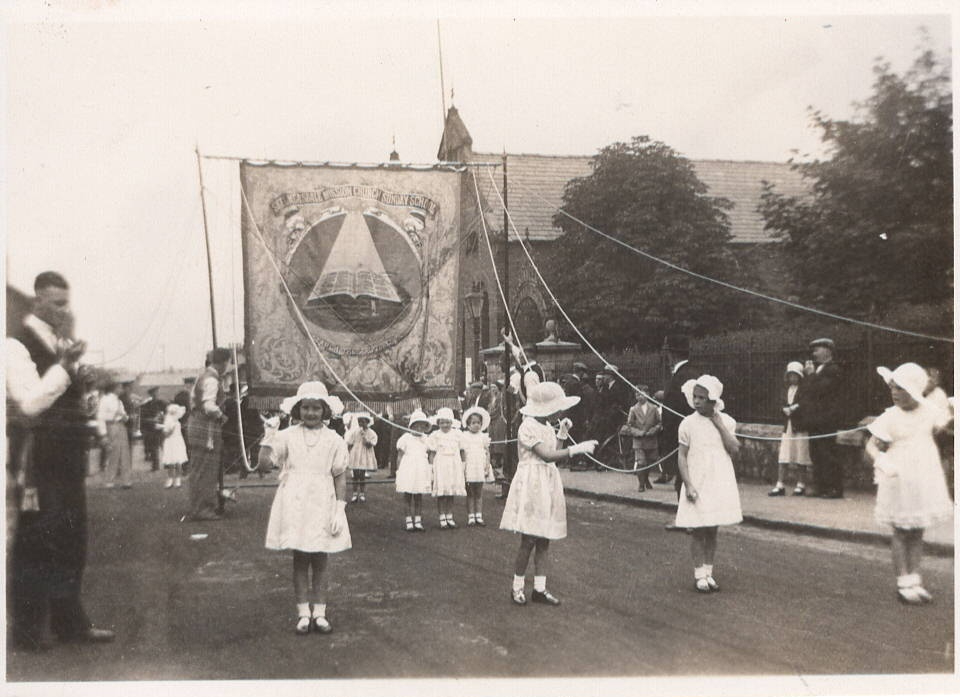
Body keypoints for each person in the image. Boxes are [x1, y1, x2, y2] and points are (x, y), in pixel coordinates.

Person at [7, 271, 114, 650]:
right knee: (38, 542)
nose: (63, 310)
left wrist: (80, 383)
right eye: (56, 303)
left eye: (66, 303)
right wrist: (65, 370)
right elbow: (30, 403)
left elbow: (63, 393)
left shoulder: (60, 342)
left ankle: (71, 624)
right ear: (37, 301)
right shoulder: (14, 345)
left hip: (67, 454)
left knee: (72, 539)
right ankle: (28, 631)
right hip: (37, 459)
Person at [263, 382, 350, 634]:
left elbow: (340, 475)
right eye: (306, 407)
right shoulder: (287, 435)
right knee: (300, 558)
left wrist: (340, 509)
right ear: (297, 410)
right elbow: (264, 465)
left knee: (320, 557)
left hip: (322, 500)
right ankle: (303, 613)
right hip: (295, 501)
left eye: (316, 408)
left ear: (325, 410)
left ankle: (320, 613)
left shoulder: (334, 439)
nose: (310, 413)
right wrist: (268, 436)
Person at [500, 382, 597, 606]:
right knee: (529, 538)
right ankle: (517, 587)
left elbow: (554, 450)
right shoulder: (527, 427)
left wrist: (562, 434)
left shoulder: (546, 426)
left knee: (544, 537)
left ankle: (540, 589)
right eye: (556, 408)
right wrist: (576, 449)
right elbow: (545, 455)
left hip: (547, 481)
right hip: (532, 482)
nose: (560, 412)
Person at [866, 363, 953, 605]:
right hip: (899, 477)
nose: (895, 393)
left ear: (914, 390)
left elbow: (947, 426)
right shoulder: (890, 417)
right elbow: (871, 446)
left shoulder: (929, 411)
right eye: (893, 388)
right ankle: (902, 581)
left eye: (901, 389)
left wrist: (953, 411)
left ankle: (915, 579)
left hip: (924, 475)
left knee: (918, 529)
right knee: (901, 530)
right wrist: (881, 460)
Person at [675, 375, 742, 593]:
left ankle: (709, 572)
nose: (696, 401)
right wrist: (689, 485)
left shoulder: (728, 421)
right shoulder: (687, 424)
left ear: (713, 400)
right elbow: (682, 457)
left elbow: (734, 448)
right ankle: (698, 575)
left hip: (718, 480)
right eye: (695, 396)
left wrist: (718, 423)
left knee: (712, 528)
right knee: (697, 528)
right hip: (697, 480)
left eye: (702, 398)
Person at [184, 347, 232, 522]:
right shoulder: (212, 380)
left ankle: (198, 507)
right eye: (227, 362)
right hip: (206, 427)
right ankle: (203, 509)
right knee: (206, 469)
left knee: (199, 469)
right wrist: (221, 414)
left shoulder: (202, 377)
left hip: (197, 424)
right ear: (223, 362)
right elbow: (208, 406)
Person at [802, 337, 846, 498]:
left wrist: (812, 376)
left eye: (817, 349)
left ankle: (834, 488)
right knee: (816, 453)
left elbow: (822, 390)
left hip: (827, 419)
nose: (814, 353)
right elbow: (809, 391)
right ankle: (821, 486)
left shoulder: (833, 369)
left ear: (828, 350)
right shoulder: (818, 369)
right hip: (815, 419)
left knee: (828, 453)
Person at [659, 334, 698, 491]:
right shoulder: (690, 371)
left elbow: (679, 409)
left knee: (683, 484)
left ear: (671, 355)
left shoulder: (682, 375)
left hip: (682, 440)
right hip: (685, 438)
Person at [769, 362, 813, 496]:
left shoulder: (805, 390)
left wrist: (795, 408)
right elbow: (780, 403)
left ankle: (801, 484)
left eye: (795, 375)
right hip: (787, 427)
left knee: (801, 455)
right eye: (790, 375)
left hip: (800, 427)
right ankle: (780, 484)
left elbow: (806, 404)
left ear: (800, 376)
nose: (793, 378)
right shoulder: (785, 390)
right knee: (784, 455)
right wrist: (784, 409)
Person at [427, 407, 466, 529]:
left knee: (450, 492)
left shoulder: (457, 434)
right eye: (442, 422)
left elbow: (462, 451)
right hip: (441, 465)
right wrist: (431, 468)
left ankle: (449, 515)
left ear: (452, 422)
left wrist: (463, 466)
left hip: (454, 465)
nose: (445, 425)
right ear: (438, 423)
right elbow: (432, 453)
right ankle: (442, 516)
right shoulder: (435, 435)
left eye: (447, 422)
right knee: (442, 492)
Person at [395, 410, 433, 532]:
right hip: (408, 468)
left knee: (418, 495)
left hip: (421, 468)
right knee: (408, 495)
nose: (419, 428)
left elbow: (430, 454)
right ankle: (408, 521)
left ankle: (418, 520)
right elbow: (400, 456)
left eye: (422, 425)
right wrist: (398, 471)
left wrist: (430, 469)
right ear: (411, 426)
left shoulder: (426, 439)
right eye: (416, 425)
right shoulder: (405, 438)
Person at [623, 386, 661, 492]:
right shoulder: (633, 409)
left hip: (651, 439)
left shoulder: (653, 408)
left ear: (647, 394)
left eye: (641, 394)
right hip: (639, 440)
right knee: (641, 462)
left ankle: (646, 479)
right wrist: (638, 433)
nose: (639, 396)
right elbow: (629, 425)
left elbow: (659, 422)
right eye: (637, 394)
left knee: (650, 461)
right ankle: (641, 484)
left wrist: (653, 430)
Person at [97, 379, 133, 489]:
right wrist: (103, 434)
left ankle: (126, 481)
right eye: (119, 387)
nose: (121, 389)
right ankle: (109, 480)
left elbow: (125, 416)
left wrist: (125, 417)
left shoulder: (119, 401)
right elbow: (101, 417)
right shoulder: (105, 400)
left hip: (121, 426)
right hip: (111, 426)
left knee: (125, 453)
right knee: (113, 453)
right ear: (114, 388)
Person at [461, 406, 494, 526]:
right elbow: (463, 453)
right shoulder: (464, 436)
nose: (476, 425)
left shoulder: (483, 437)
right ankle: (471, 516)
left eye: (478, 423)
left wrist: (487, 466)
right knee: (470, 492)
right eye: (473, 423)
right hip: (470, 466)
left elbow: (487, 452)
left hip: (480, 465)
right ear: (468, 424)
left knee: (479, 492)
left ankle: (478, 515)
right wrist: (463, 467)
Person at [345, 412, 378, 502]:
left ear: (367, 422)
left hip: (364, 454)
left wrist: (364, 437)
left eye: (363, 422)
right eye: (359, 422)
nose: (361, 424)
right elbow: (350, 442)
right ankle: (355, 494)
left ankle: (362, 494)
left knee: (362, 474)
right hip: (356, 453)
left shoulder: (371, 433)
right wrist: (348, 452)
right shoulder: (355, 432)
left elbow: (370, 445)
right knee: (355, 474)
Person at [138, 386, 166, 471]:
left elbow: (168, 413)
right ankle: (155, 465)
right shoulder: (146, 405)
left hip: (161, 428)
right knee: (154, 448)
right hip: (151, 429)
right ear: (150, 394)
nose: (156, 394)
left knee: (164, 446)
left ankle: (169, 464)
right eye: (154, 393)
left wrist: (163, 417)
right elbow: (143, 419)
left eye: (157, 392)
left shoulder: (162, 403)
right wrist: (153, 420)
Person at [161, 403, 188, 488]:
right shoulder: (168, 421)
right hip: (170, 442)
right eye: (172, 413)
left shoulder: (177, 422)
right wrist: (170, 431)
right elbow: (166, 433)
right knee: (170, 462)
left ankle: (178, 479)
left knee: (178, 461)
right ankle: (170, 479)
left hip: (177, 441)